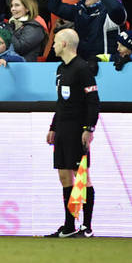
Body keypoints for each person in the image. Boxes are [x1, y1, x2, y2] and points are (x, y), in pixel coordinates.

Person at [45, 28, 98, 238]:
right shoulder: (60, 69)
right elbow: (61, 102)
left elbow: (93, 102)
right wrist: (53, 126)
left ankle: (87, 226)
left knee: (81, 177)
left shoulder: (83, 69)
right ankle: (69, 226)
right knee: (64, 175)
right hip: (63, 129)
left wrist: (89, 128)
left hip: (78, 129)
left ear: (65, 44)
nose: (54, 45)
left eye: (56, 41)